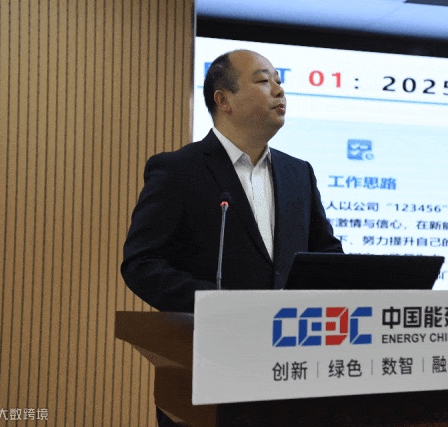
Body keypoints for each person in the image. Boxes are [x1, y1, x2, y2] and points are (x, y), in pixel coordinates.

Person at [121, 50, 343, 426]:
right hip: (207, 368)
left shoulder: (298, 173)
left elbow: (326, 252)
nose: (279, 89)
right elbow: (142, 263)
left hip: (290, 369)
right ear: (223, 100)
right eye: (263, 80)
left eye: (279, 80)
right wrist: (215, 304)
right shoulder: (179, 170)